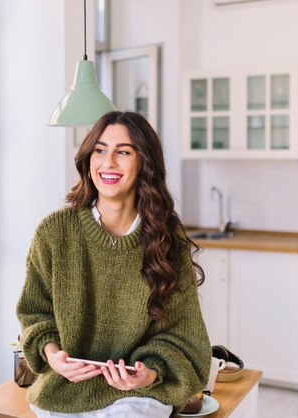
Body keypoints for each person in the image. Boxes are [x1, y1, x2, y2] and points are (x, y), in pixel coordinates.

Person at [16, 111, 211, 417]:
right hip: (64, 387)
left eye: (123, 152)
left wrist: (150, 371)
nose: (108, 163)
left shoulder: (165, 239)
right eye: (99, 150)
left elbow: (184, 334)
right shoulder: (54, 231)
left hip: (137, 395)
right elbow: (35, 313)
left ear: (144, 162)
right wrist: (53, 356)